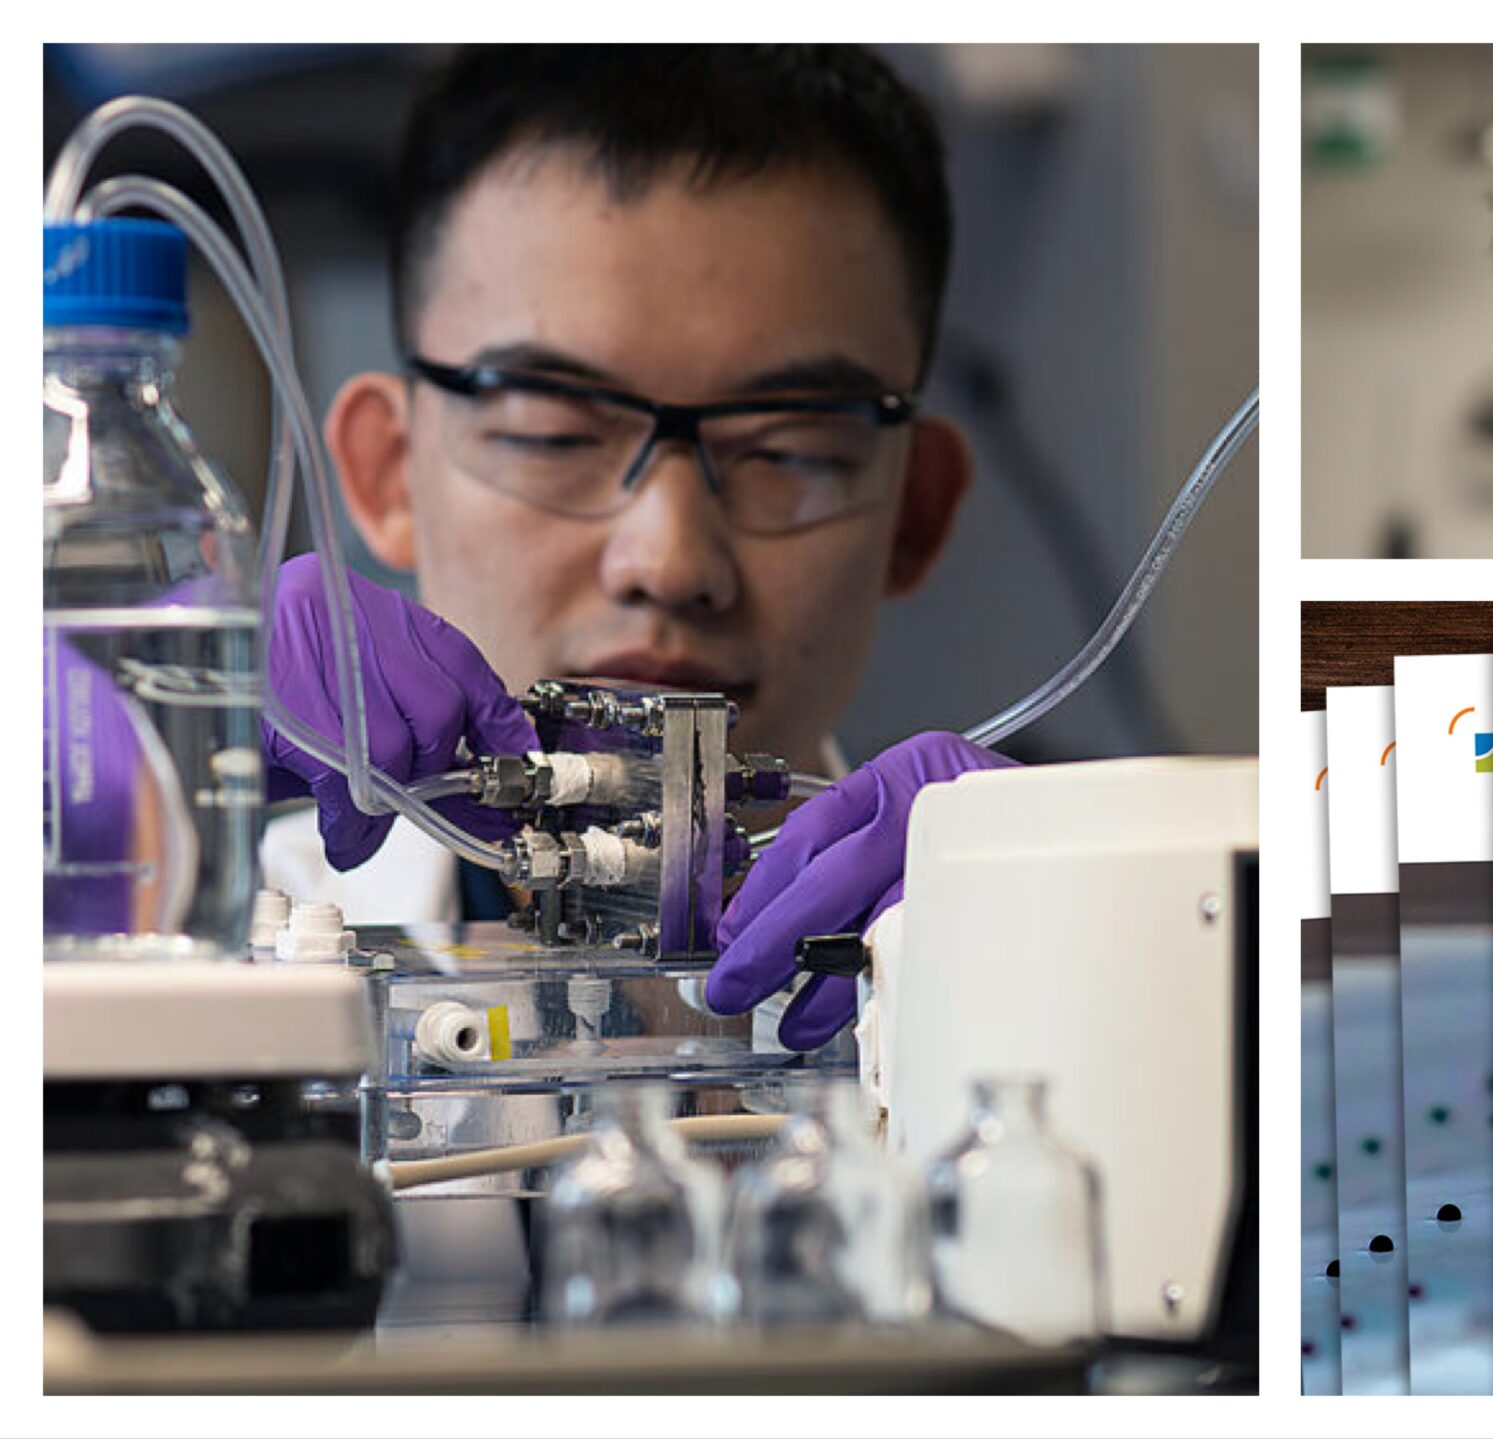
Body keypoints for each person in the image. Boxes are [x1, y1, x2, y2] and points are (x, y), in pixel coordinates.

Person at [259, 45, 1014, 1048]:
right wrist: (125, 766)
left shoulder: (1020, 934)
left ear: (914, 511)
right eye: (555, 433)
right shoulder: (207, 927)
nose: (667, 560)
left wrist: (1084, 946)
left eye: (787, 448)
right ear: (387, 470)